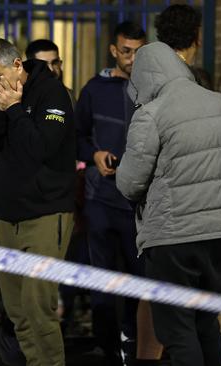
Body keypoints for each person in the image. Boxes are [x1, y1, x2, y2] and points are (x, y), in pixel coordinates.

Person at [115, 4, 221, 366]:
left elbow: (129, 183)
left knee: (177, 331)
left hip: (173, 237)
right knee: (206, 322)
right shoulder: (220, 102)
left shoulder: (151, 113)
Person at [0, 38, 76, 366]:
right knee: (17, 312)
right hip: (7, 217)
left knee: (38, 308)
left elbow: (41, 149)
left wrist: (15, 110)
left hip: (45, 214)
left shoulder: (52, 93)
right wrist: (1, 112)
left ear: (17, 65)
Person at [75, 21, 147, 365]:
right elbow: (76, 137)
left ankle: (131, 341)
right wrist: (94, 155)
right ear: (114, 51)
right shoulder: (94, 90)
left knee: (139, 277)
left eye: (139, 51)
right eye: (127, 51)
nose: (133, 58)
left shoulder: (155, 89)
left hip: (139, 203)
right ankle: (105, 345)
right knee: (101, 276)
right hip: (101, 198)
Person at [25, 39, 75, 107]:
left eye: (55, 63)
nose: (51, 69)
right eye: (43, 64)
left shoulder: (69, 95)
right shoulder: (20, 96)